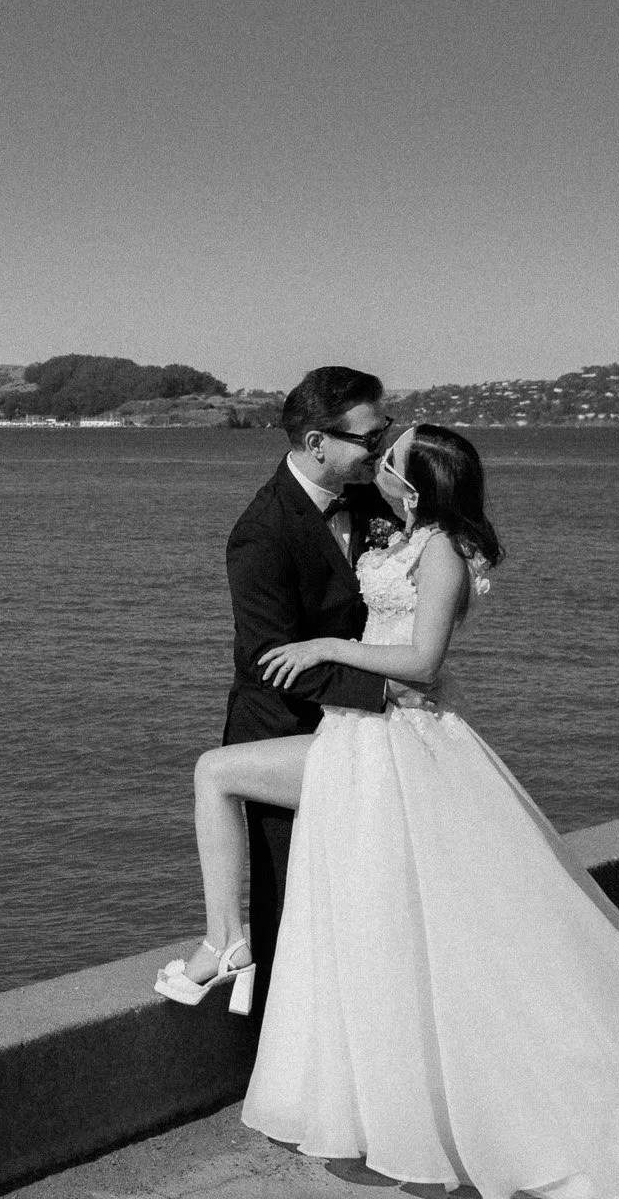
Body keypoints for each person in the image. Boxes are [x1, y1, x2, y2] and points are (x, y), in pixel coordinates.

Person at [157, 424, 619, 1198]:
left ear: (415, 484)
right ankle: (235, 947)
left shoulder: (440, 548)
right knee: (262, 816)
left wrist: (324, 649)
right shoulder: (404, 530)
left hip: (400, 745)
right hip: (359, 739)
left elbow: (422, 664)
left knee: (425, 930)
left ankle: (259, 972)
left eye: (388, 459)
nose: (374, 464)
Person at [213, 366, 397, 990]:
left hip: (362, 736)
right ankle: (275, 1059)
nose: (383, 449)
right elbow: (273, 659)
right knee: (288, 908)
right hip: (281, 731)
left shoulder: (376, 501)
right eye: (371, 439)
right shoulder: (260, 535)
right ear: (318, 443)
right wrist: (384, 699)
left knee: (367, 900)